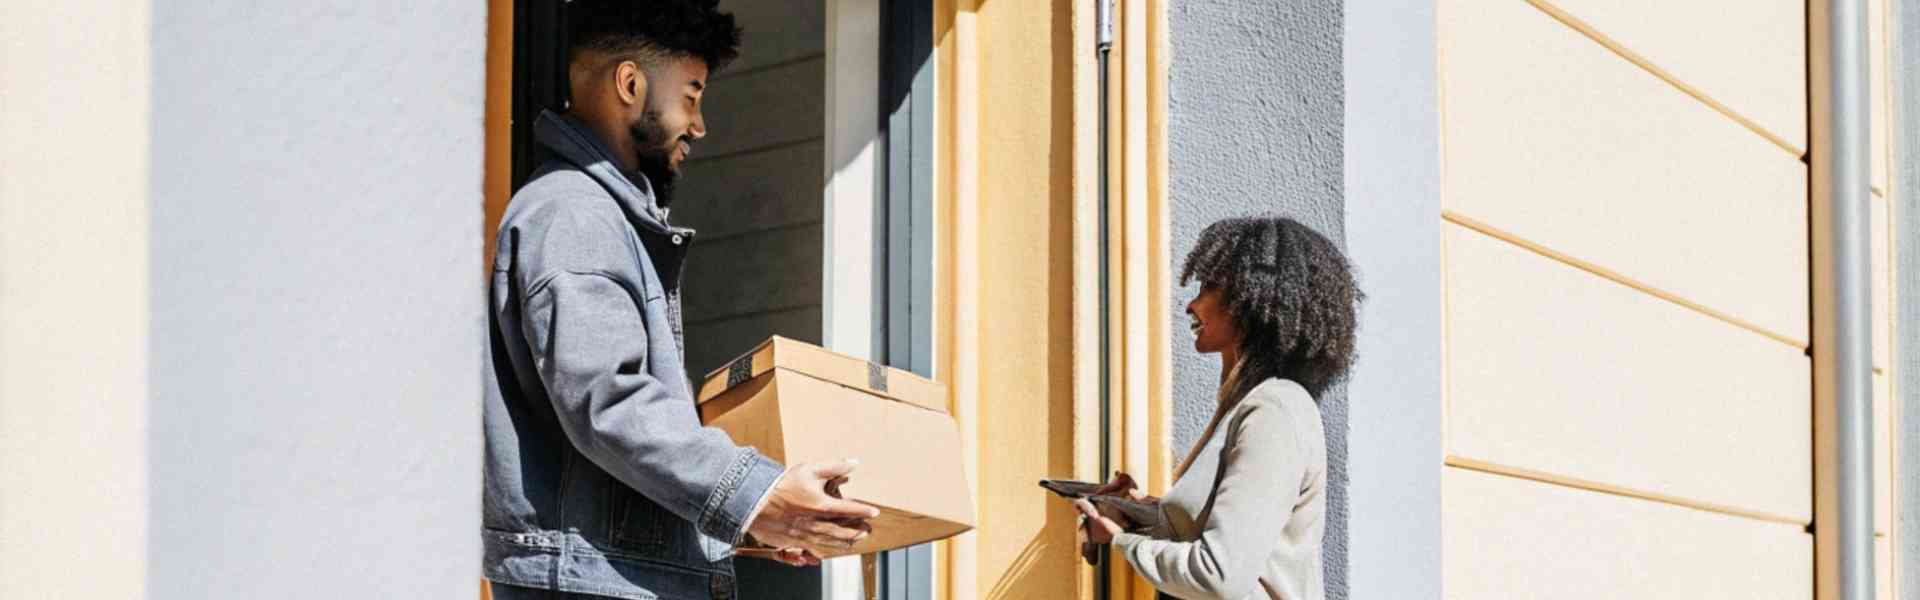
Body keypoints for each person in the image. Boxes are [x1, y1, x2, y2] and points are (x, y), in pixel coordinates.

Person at [482, 2, 878, 598]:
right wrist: (757, 494)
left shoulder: (599, 217)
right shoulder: (574, 212)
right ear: (630, 83)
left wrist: (750, 522)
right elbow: (609, 404)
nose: (699, 126)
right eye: (691, 96)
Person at [1075, 217, 1360, 600]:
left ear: (1254, 301)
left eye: (1209, 286)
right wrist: (1135, 512)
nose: (1192, 304)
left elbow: (1218, 574)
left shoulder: (1273, 411)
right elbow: (1224, 538)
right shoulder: (1248, 406)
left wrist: (1121, 543)